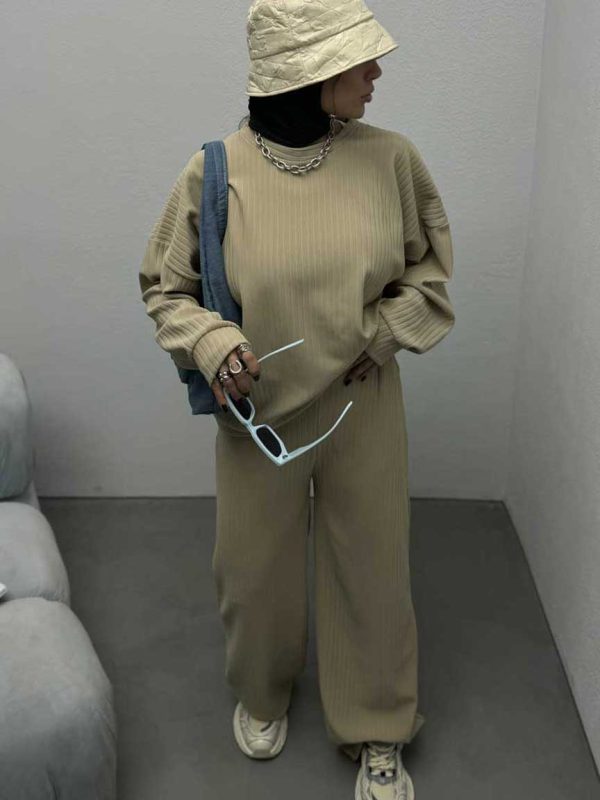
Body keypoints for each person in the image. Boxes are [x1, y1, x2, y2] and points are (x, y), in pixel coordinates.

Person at [138, 1, 455, 797]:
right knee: (254, 570)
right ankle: (262, 690)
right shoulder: (215, 173)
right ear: (307, 75)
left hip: (363, 398)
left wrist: (383, 334)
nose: (375, 74)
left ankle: (377, 723)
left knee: (373, 563)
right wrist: (212, 342)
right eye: (358, 61)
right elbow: (166, 288)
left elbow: (429, 271)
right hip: (261, 414)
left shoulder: (391, 161)